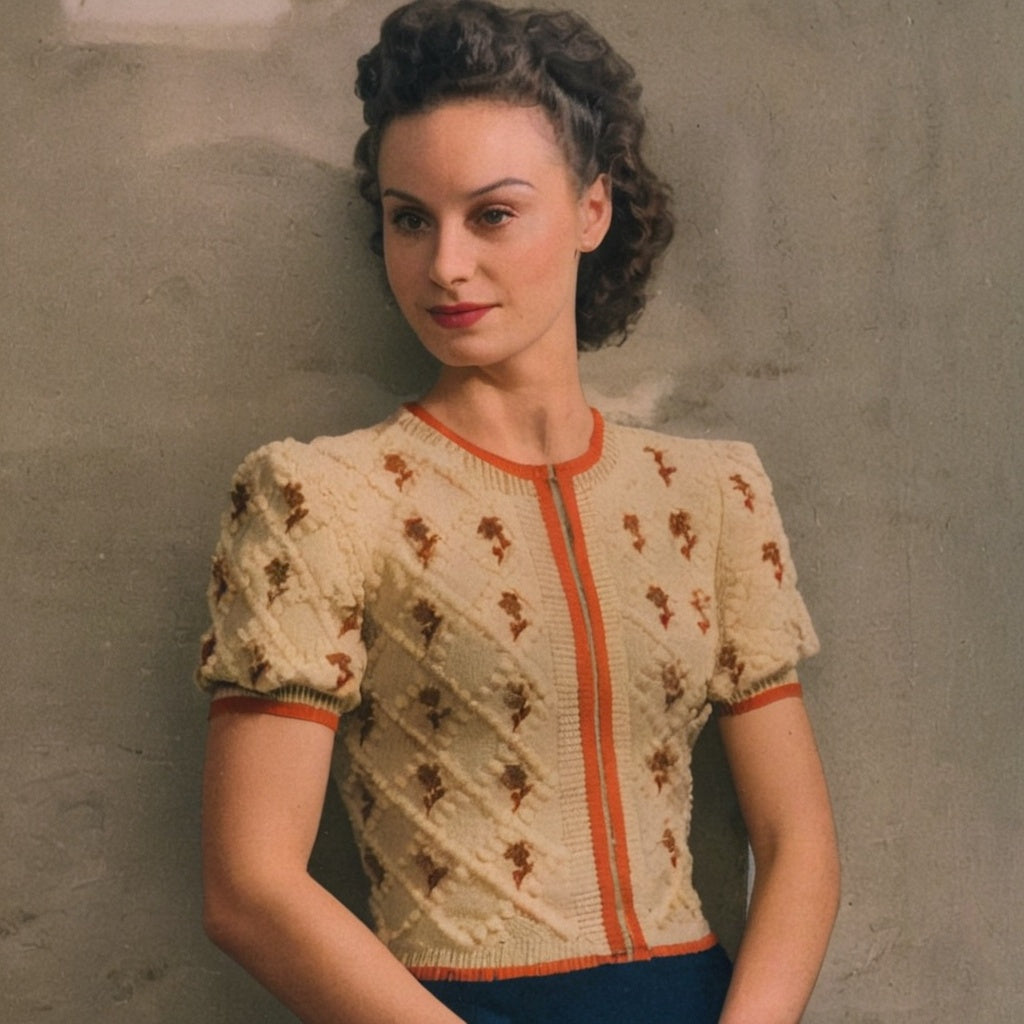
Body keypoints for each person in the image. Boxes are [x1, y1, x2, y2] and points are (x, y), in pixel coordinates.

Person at [196, 1, 840, 1021]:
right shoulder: (323, 496)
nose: (445, 264)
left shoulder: (710, 495)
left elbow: (797, 840)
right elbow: (249, 888)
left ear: (591, 211)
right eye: (411, 218)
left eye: (491, 213)